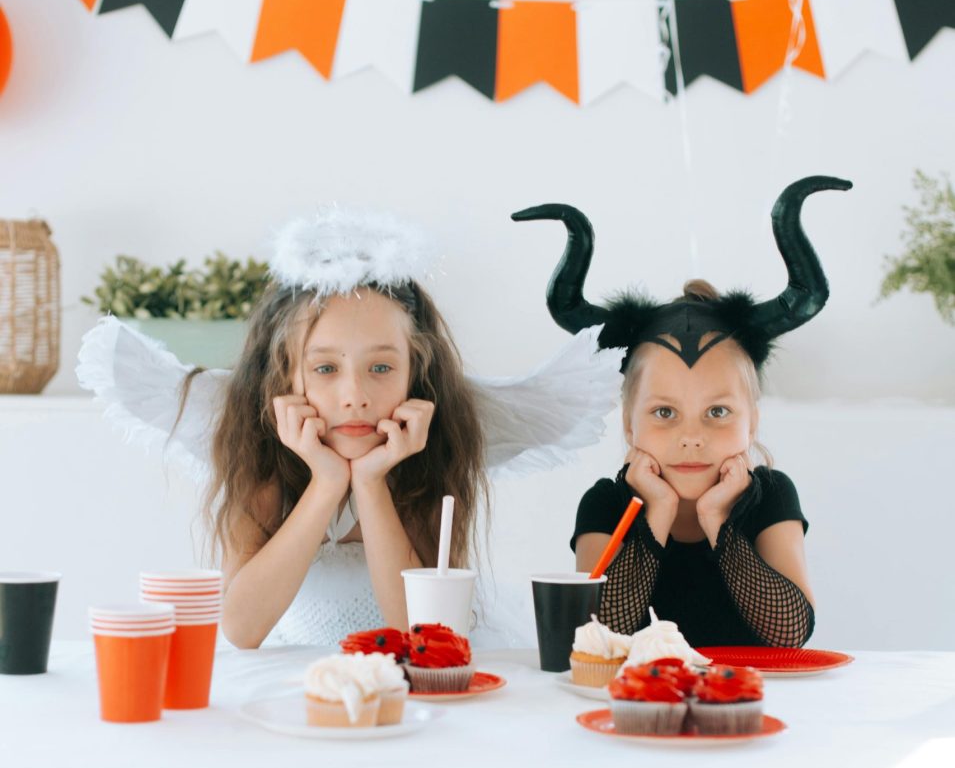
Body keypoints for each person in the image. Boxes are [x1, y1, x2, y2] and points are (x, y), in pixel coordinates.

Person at [77, 205, 623, 648]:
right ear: (286, 376)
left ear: (417, 374)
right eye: (325, 369)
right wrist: (327, 483)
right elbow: (242, 630)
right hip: (304, 677)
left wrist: (370, 483)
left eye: (381, 368)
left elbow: (423, 634)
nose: (355, 396)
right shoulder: (264, 463)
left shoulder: (435, 456)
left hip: (415, 682)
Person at [512, 176, 852, 647]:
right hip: (639, 707)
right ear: (630, 423)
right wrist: (658, 511)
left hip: (744, 705)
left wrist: (717, 518)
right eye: (665, 413)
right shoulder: (607, 505)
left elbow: (790, 632)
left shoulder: (769, 496)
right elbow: (598, 634)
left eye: (717, 412)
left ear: (752, 420)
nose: (691, 436)